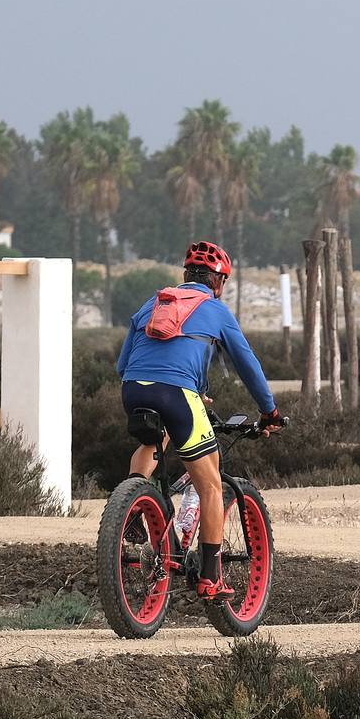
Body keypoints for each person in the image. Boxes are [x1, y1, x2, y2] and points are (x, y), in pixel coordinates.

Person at [116, 241, 284, 600]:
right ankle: (210, 578)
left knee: (153, 442)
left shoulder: (154, 303)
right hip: (176, 395)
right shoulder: (216, 310)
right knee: (209, 483)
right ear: (218, 282)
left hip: (133, 389)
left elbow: (122, 365)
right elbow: (247, 365)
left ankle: (129, 509)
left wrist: (187, 385)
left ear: (184, 276)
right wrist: (269, 411)